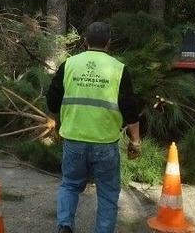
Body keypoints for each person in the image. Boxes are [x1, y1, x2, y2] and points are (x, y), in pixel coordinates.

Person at [46, 22, 142, 233]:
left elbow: (52, 99)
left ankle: (64, 226)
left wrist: (56, 118)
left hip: (74, 140)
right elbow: (130, 108)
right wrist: (135, 140)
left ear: (85, 41)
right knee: (108, 193)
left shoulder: (69, 65)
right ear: (109, 42)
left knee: (70, 185)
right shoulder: (118, 69)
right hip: (105, 143)